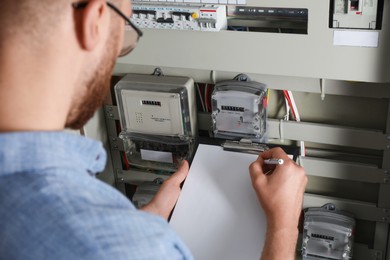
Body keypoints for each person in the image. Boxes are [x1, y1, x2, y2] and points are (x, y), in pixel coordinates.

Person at [0, 0, 307, 259]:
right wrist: (283, 225)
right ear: (95, 21)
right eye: (124, 36)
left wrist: (142, 224)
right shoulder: (116, 246)